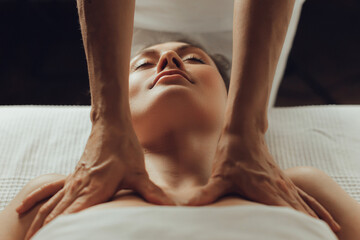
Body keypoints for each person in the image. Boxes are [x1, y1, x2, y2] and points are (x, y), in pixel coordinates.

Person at [0, 0, 349, 238]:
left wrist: (248, 128)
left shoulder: (305, 189)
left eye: (196, 59)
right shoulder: (50, 197)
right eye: (142, 64)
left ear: (233, 98)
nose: (168, 57)